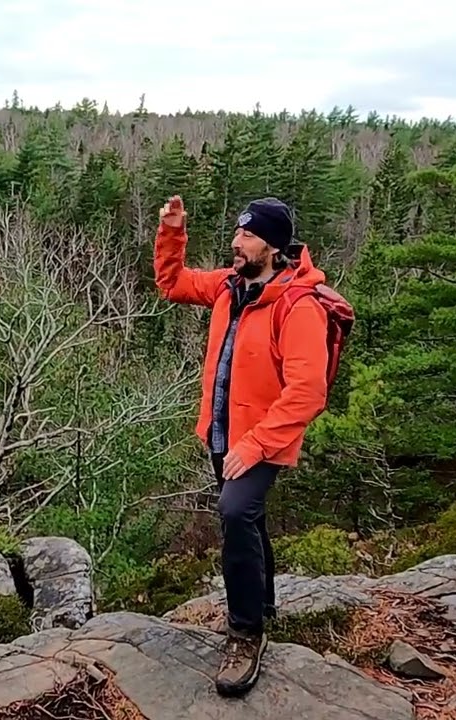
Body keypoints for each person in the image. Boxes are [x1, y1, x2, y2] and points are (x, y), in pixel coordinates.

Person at [153, 194, 330, 697]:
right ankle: (264, 604)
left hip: (262, 439)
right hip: (222, 433)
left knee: (234, 513)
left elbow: (308, 392)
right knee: (249, 517)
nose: (236, 242)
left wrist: (254, 446)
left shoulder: (298, 305)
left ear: (272, 247)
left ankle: (245, 634)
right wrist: (172, 231)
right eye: (237, 232)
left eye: (247, 235)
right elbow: (172, 283)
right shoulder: (229, 287)